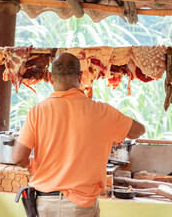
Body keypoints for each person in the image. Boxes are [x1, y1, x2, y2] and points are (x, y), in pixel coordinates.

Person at [13, 53, 145, 217]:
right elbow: (139, 130)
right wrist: (110, 130)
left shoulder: (38, 111)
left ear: (50, 77)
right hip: (79, 207)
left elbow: (18, 157)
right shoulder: (102, 111)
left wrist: (30, 165)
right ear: (81, 76)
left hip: (44, 204)